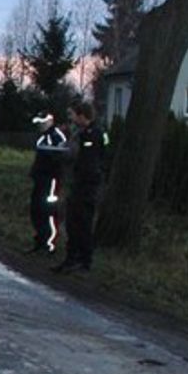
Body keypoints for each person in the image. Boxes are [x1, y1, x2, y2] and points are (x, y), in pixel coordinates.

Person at [54, 102, 108, 273]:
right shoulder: (82, 133)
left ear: (82, 115)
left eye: (74, 115)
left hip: (86, 186)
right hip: (78, 184)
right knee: (72, 223)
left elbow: (89, 160)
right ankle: (72, 258)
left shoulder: (94, 134)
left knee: (82, 223)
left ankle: (83, 260)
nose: (72, 119)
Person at [27, 112, 68, 254]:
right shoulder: (43, 137)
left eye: (43, 122)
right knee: (36, 211)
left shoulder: (56, 137)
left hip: (50, 181)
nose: (40, 125)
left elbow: (59, 160)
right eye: (39, 122)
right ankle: (40, 241)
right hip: (40, 179)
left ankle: (49, 244)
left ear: (50, 121)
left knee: (48, 212)